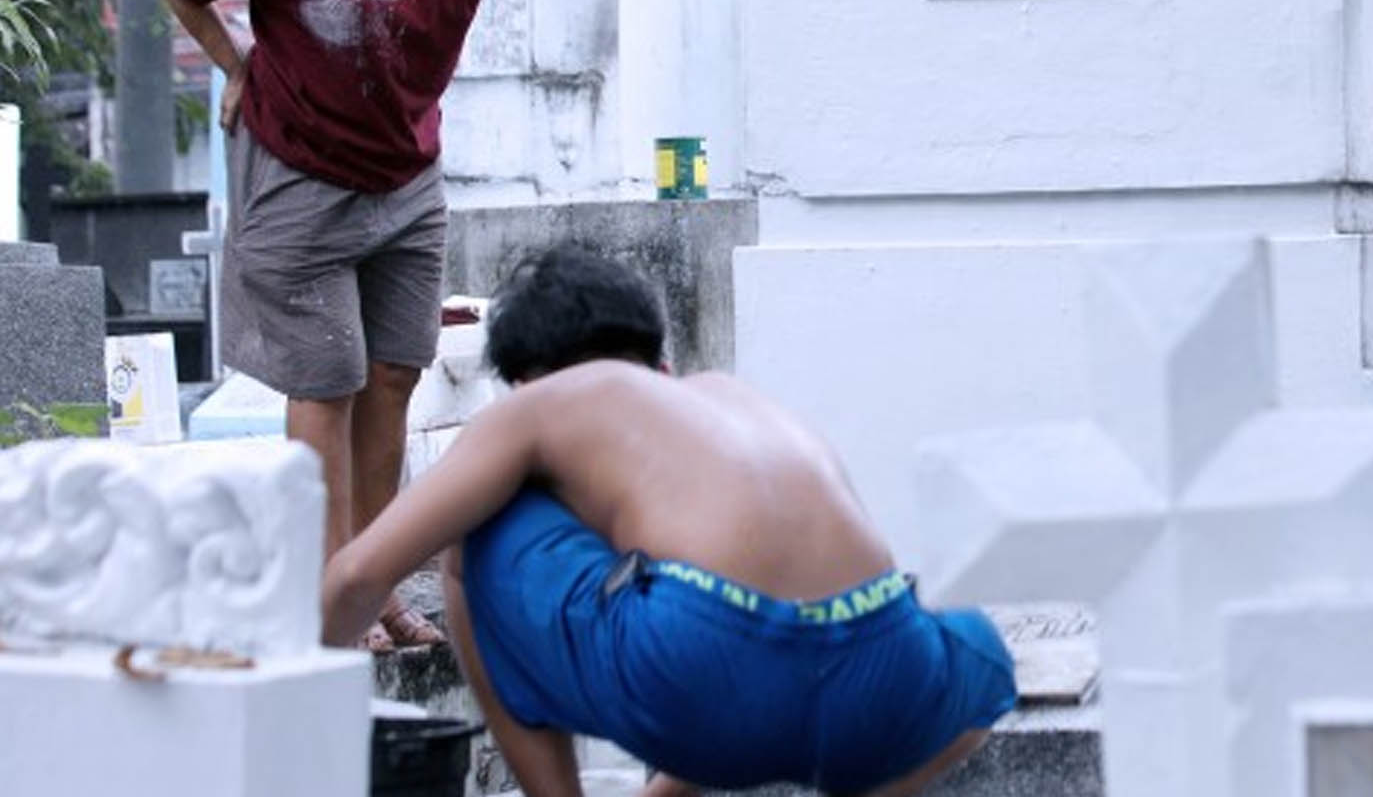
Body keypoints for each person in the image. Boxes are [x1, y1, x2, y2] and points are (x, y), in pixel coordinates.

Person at [140, 0, 740, 649]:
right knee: (326, 384)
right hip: (299, 176)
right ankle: (326, 601)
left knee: (392, 377)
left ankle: (376, 586)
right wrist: (235, 63)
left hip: (406, 181)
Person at [320, 246, 1017, 797]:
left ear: (526, 382)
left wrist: (274, 683)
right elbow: (781, 627)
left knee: (477, 531)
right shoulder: (732, 400)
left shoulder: (534, 408)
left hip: (713, 675)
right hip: (891, 682)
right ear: (662, 365)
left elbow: (357, 575)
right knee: (963, 639)